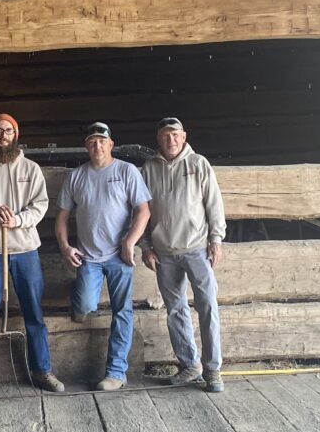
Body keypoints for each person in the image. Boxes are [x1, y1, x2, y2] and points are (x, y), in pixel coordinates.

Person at [0, 113, 64, 396]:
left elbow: (40, 205)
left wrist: (17, 220)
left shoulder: (30, 169)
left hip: (26, 251)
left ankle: (42, 370)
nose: (3, 135)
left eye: (8, 130)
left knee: (34, 314)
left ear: (16, 135)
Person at [55, 122, 151, 391]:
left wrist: (130, 241)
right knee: (85, 304)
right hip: (88, 256)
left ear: (111, 145)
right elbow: (62, 216)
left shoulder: (126, 171)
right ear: (86, 146)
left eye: (102, 141)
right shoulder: (76, 176)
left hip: (120, 255)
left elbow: (143, 210)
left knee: (122, 311)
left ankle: (116, 372)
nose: (97, 145)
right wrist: (65, 247)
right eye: (92, 141)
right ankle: (80, 303)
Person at [140, 117, 226, 392]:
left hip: (197, 249)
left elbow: (214, 203)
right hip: (164, 253)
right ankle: (190, 365)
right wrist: (145, 245)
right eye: (165, 135)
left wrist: (216, 239)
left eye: (175, 134)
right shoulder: (148, 169)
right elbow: (140, 211)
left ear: (184, 136)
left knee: (207, 306)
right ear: (158, 138)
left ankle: (212, 369)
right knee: (175, 310)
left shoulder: (198, 164)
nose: (171, 140)